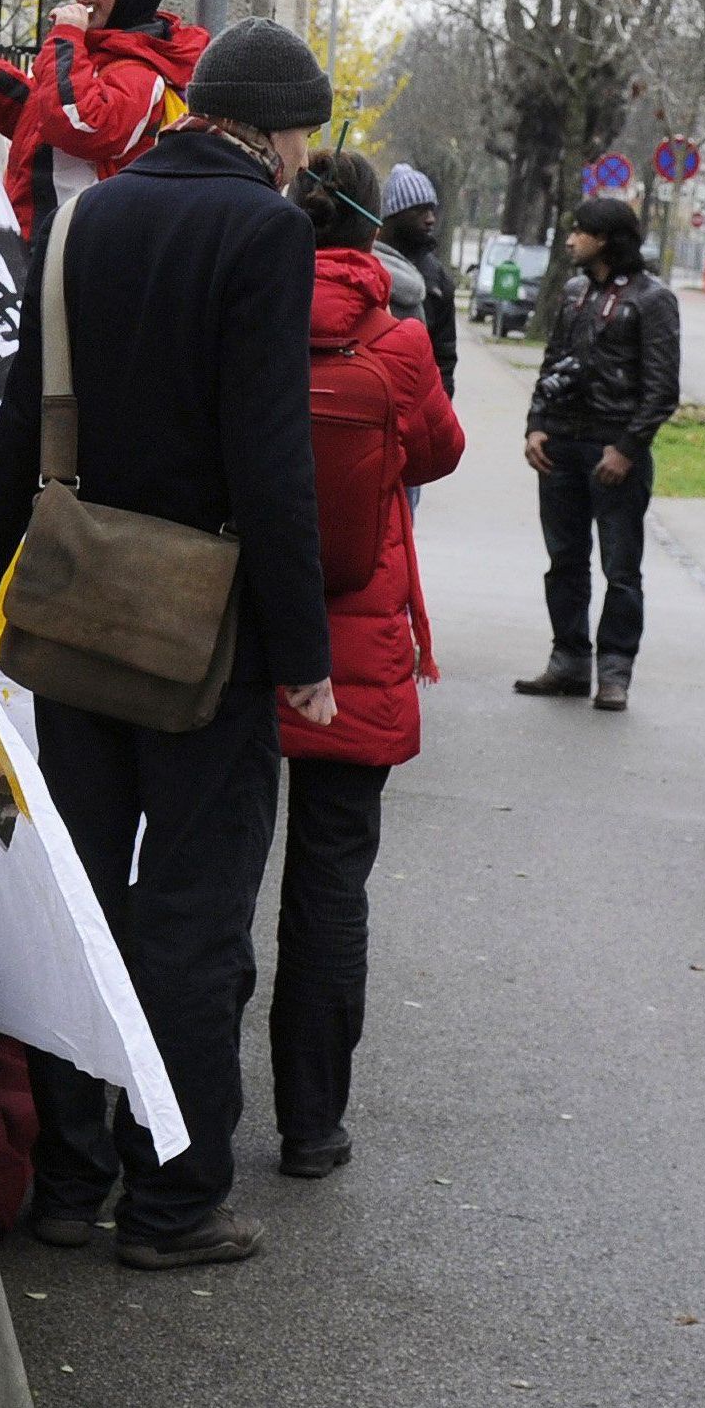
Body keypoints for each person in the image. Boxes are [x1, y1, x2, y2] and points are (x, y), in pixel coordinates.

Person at [0, 17, 336, 1271]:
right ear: (274, 130)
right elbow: (269, 457)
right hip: (198, 625)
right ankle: (173, 1196)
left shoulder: (86, 218)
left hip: (71, 607)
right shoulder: (266, 230)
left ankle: (68, 1176)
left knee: (87, 896)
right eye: (300, 136)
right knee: (191, 909)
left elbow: (18, 429)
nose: (298, 158)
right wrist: (302, 647)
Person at [271, 148, 466, 1177]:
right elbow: (438, 452)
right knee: (329, 884)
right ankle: (310, 1125)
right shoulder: (398, 338)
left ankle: (183, 1129)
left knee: (212, 885)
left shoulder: (249, 311)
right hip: (358, 650)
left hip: (242, 634)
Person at [514, 197, 680, 713]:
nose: (570, 240)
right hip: (561, 445)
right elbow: (553, 362)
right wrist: (537, 426)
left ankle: (615, 670)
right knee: (564, 559)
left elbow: (662, 389)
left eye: (579, 231)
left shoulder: (653, 300)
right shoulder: (572, 292)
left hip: (614, 451)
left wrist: (627, 450)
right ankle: (568, 660)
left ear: (605, 239)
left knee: (621, 567)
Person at [0, 0, 210, 237]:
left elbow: (79, 125)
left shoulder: (140, 73)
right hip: (34, 230)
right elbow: (42, 117)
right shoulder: (86, 52)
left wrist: (65, 39)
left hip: (74, 241)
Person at [379, 164, 460, 396]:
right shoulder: (368, 263)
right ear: (393, 214)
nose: (430, 219)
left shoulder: (438, 280)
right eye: (420, 211)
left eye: (432, 210)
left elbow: (444, 357)